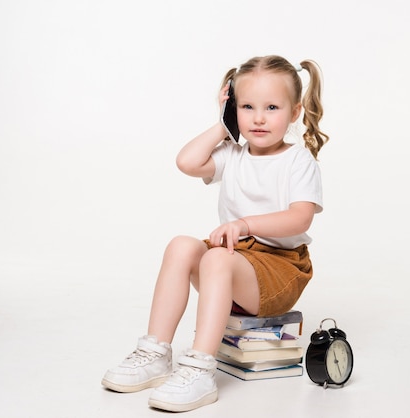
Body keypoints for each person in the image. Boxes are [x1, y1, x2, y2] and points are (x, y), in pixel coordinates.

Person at [101, 55, 329, 412]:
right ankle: (155, 351)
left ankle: (200, 369)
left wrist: (245, 224)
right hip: (230, 260)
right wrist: (222, 126)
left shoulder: (297, 161)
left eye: (271, 107)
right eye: (246, 106)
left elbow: (300, 219)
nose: (257, 118)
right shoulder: (233, 154)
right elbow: (187, 162)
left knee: (218, 257)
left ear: (295, 112)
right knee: (181, 246)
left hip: (278, 269)